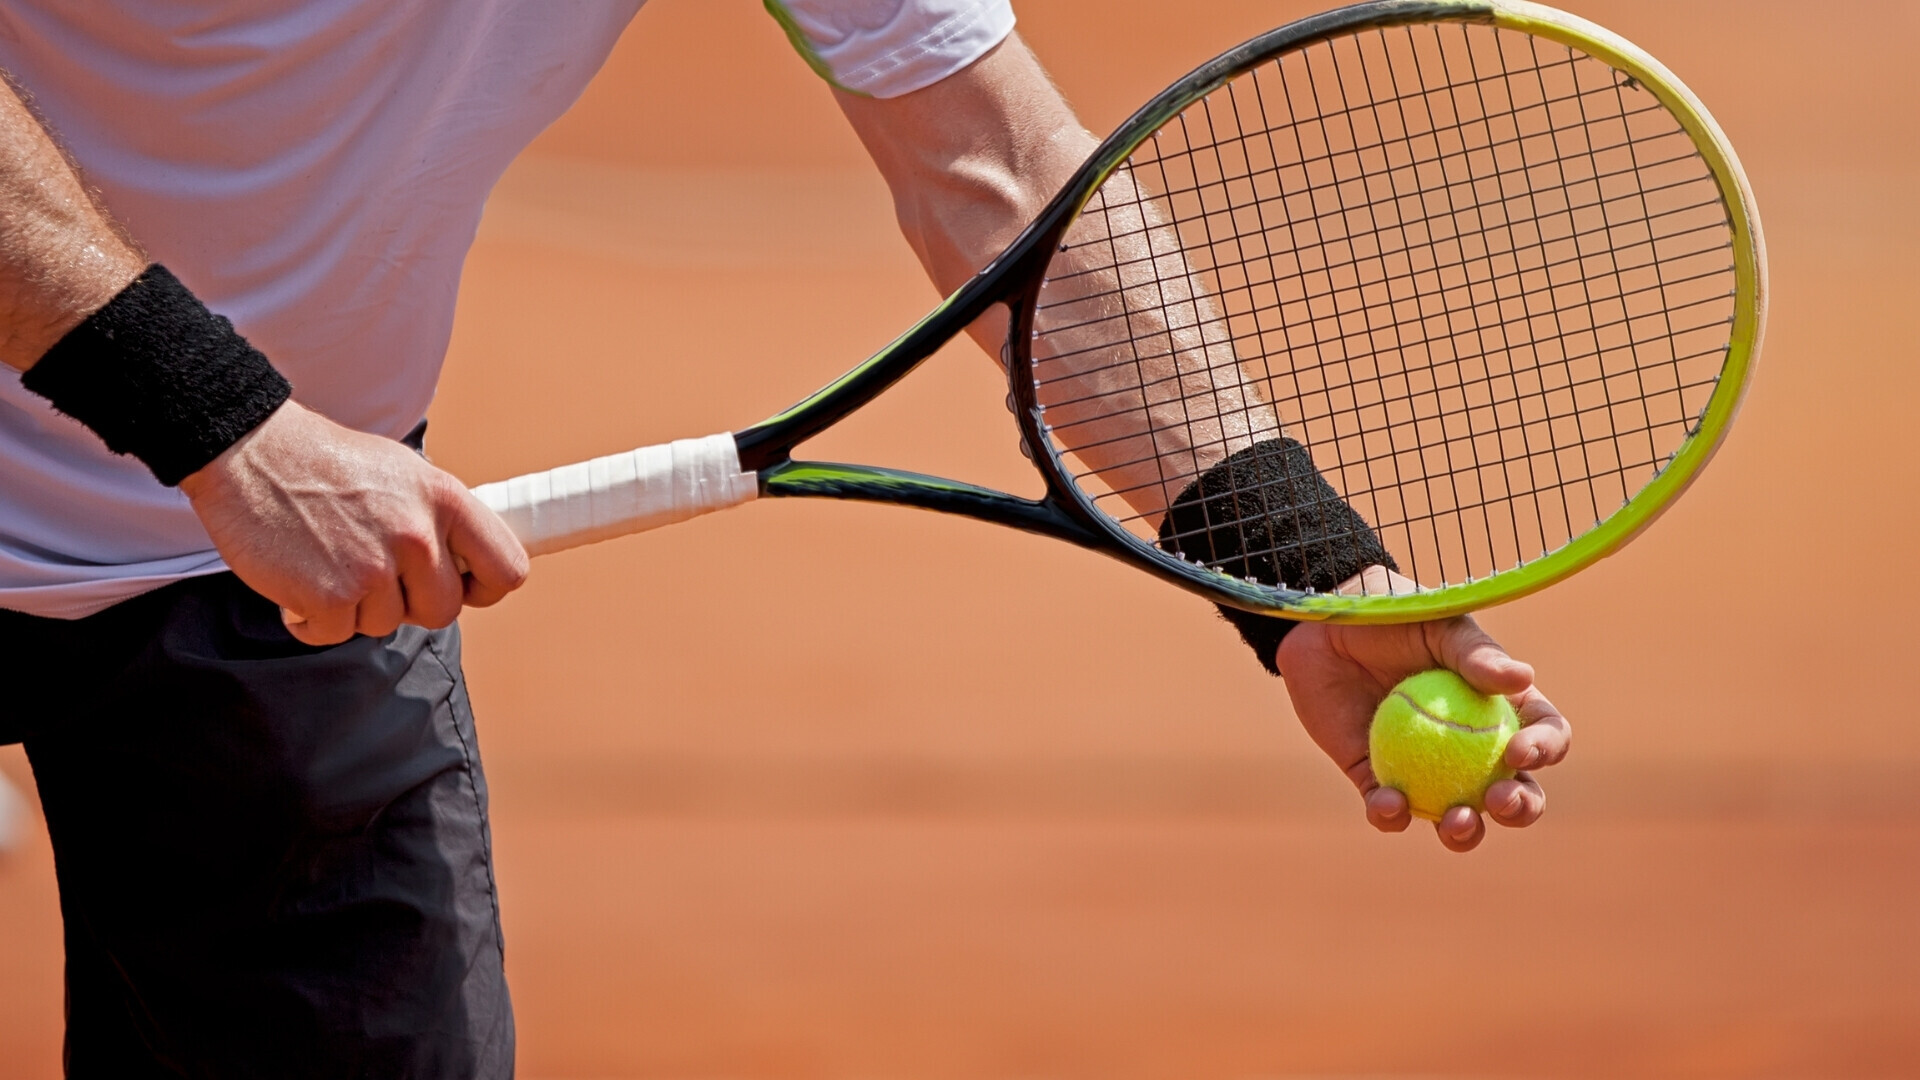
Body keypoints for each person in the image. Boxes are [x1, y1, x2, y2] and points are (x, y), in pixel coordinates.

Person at [0, 1, 1569, 1074]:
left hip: (292, 576)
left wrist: (1289, 568)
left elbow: (1000, 172)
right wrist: (212, 417)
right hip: (258, 474)